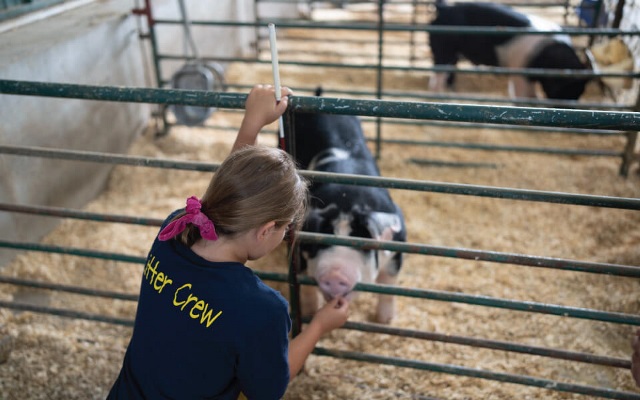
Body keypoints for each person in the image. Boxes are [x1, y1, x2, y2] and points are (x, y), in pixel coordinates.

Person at [107, 84, 350, 399]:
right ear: (266, 230)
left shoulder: (175, 229)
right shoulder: (263, 310)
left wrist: (252, 123)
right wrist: (318, 325)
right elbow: (266, 390)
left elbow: (221, 199)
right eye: (286, 228)